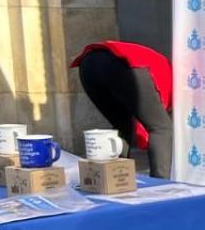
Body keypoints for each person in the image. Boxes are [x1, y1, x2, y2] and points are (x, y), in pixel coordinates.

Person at [70, 40, 174, 177]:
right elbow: (155, 126)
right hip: (126, 64)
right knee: (162, 128)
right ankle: (161, 186)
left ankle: (118, 179)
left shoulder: (166, 73)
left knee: (123, 127)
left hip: (88, 65)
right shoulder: (177, 85)